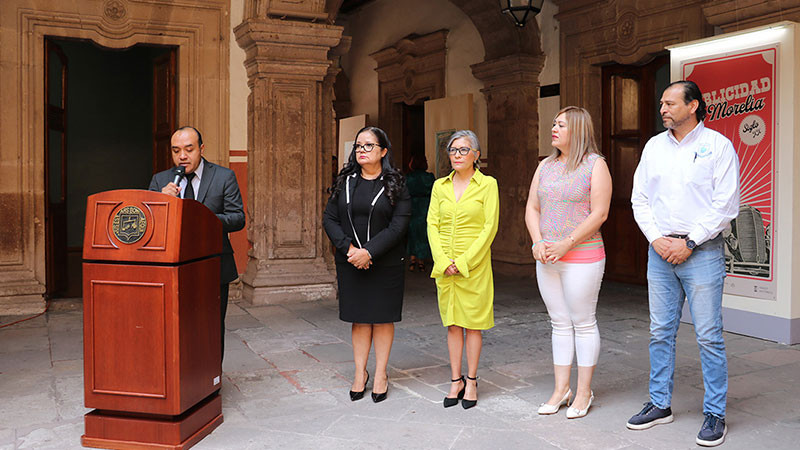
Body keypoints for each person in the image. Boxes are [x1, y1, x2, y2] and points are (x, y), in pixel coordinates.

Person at [628, 80, 740, 447]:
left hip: (702, 251)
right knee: (660, 331)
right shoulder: (654, 147)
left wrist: (690, 242)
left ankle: (715, 414)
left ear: (693, 106)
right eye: (661, 103)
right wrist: (658, 240)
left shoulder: (718, 147)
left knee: (708, 336)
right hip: (660, 252)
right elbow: (639, 198)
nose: (663, 109)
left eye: (670, 103)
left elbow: (725, 204)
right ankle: (660, 404)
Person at [524, 106, 612, 419]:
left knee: (583, 322)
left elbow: (599, 213)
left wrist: (565, 244)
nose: (554, 128)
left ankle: (584, 391)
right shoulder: (545, 165)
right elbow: (532, 207)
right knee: (559, 322)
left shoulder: (595, 165)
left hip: (582, 256)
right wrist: (537, 241)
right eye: (554, 122)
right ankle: (562, 389)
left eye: (561, 124)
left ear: (578, 129)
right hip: (547, 257)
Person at [322, 126, 411, 403]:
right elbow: (329, 219)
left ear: (383, 151)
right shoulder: (345, 182)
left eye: (368, 145)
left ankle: (381, 373)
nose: (361, 150)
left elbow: (399, 227)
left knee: (382, 319)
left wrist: (369, 252)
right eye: (358, 145)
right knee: (360, 319)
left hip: (386, 262)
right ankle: (360, 373)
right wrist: (350, 250)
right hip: (350, 261)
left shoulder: (397, 184)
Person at [149, 126, 245, 364]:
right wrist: (161, 202)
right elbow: (150, 224)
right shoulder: (161, 180)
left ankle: (211, 377)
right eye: (176, 151)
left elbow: (237, 218)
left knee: (211, 326)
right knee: (178, 326)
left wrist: (202, 218)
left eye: (189, 149)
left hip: (214, 266)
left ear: (201, 149)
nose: (182, 156)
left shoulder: (224, 176)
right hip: (173, 268)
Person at [427, 130, 499, 410]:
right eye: (453, 150)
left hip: (475, 266)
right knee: (453, 324)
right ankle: (455, 379)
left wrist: (465, 261)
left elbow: (489, 227)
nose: (457, 155)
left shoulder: (488, 185)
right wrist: (444, 261)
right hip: (445, 267)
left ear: (476, 155)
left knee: (473, 325)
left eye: (464, 150)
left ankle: (471, 380)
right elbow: (431, 224)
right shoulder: (439, 186)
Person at [405, 154, 435, 272]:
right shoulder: (429, 177)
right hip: (426, 206)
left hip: (412, 206)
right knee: (423, 234)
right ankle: (421, 261)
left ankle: (412, 260)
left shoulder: (408, 177)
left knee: (413, 233)